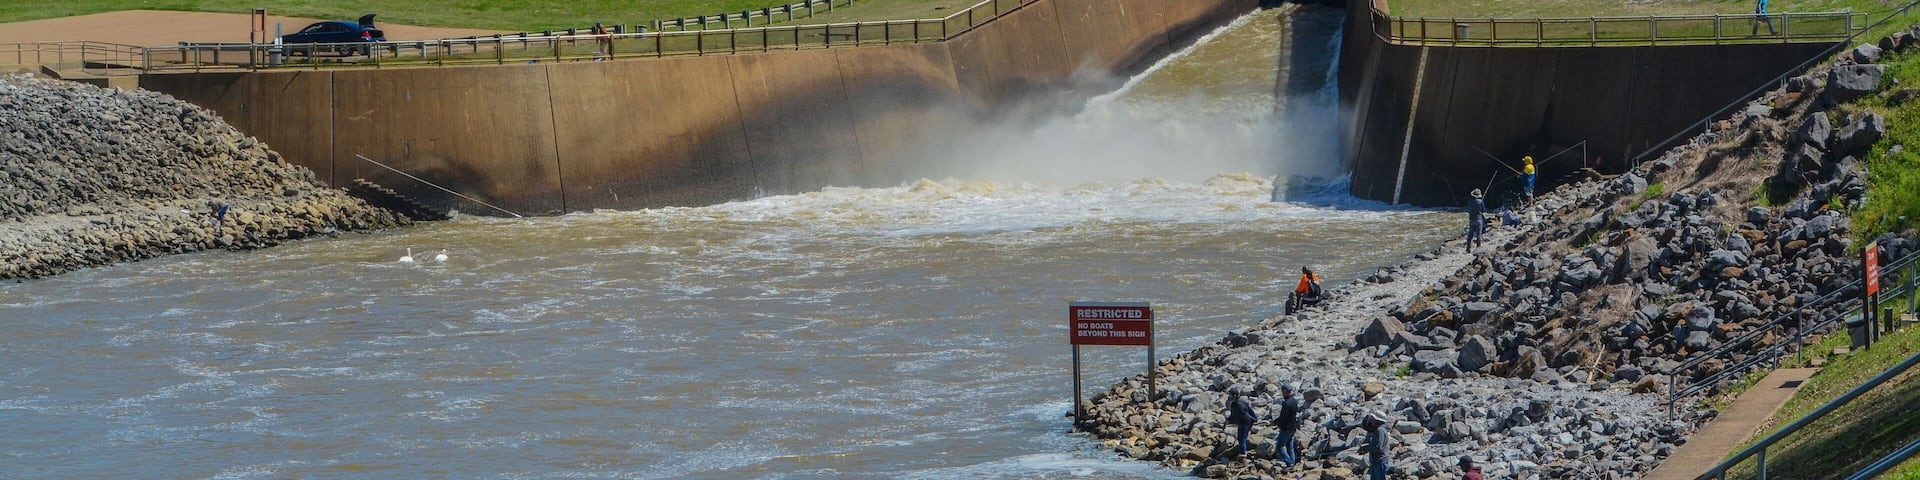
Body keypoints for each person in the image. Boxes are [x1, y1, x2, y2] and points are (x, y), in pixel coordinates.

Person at [1271, 383, 1302, 466]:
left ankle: (1289, 462)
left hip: (1286, 428)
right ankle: (1292, 463)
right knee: (1290, 447)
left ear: (1285, 391)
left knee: (1279, 447)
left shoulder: (1286, 403)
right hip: (1293, 427)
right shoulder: (1294, 400)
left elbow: (1283, 417)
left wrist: (1275, 422)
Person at [1225, 389, 1257, 460]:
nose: (1229, 396)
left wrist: (1230, 421)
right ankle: (1243, 451)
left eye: (1230, 395)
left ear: (1235, 395)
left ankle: (1243, 453)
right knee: (1240, 438)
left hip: (1245, 422)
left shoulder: (1239, 405)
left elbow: (1238, 415)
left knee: (1242, 438)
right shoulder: (1237, 402)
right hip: (1244, 421)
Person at [1362, 411, 1392, 480]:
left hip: (1380, 462)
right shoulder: (1381, 430)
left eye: (1373, 419)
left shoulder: (1379, 430)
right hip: (1377, 462)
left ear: (1377, 420)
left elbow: (1378, 447)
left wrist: (1365, 448)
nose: (1371, 420)